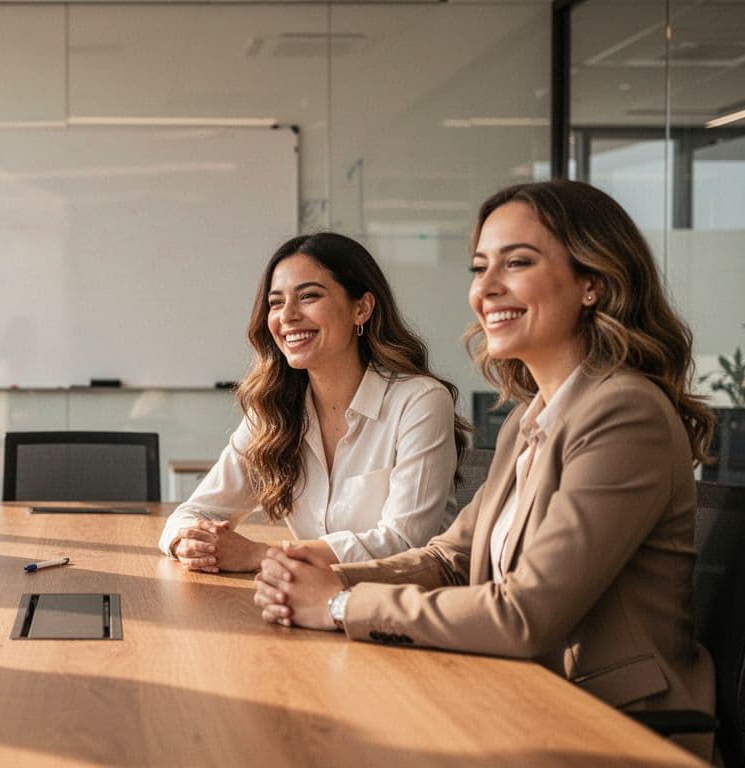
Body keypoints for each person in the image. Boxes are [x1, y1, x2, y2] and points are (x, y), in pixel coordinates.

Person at [253, 181, 715, 760]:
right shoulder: (531, 416)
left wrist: (341, 607)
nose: (486, 289)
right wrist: (329, 579)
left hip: (611, 730)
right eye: (479, 267)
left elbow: (525, 612)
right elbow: (452, 559)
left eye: (517, 262)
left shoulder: (625, 413)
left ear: (592, 282)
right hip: (519, 698)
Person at [158, 232, 468, 572]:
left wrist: (262, 555)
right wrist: (188, 541)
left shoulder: (419, 402)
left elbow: (405, 543)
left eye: (308, 296)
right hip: (307, 607)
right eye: (276, 303)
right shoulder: (275, 409)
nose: (287, 316)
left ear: (361, 308)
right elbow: (193, 512)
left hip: (397, 609)